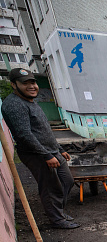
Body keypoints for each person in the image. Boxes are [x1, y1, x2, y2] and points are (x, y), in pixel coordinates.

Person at [1, 67, 78, 229]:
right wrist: (46, 155)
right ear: (14, 85)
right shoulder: (14, 105)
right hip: (36, 154)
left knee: (67, 181)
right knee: (50, 187)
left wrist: (59, 149)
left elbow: (44, 130)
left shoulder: (31, 102)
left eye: (33, 82)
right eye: (25, 83)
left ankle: (58, 212)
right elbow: (24, 135)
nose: (32, 86)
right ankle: (57, 219)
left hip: (52, 151)